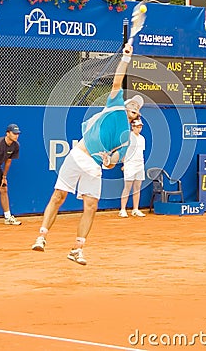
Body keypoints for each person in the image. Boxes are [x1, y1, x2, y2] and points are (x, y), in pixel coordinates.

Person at [32, 43, 143, 265]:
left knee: (91, 205)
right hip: (78, 156)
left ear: (136, 116)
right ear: (125, 106)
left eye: (138, 109)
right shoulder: (114, 104)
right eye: (133, 105)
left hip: (94, 166)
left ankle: (77, 248)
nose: (135, 109)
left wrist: (108, 160)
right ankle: (41, 237)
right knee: (59, 196)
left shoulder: (127, 138)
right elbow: (116, 80)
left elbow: (113, 163)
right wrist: (126, 58)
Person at [119, 117, 146, 218]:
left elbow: (140, 153)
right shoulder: (128, 137)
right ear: (132, 127)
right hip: (130, 165)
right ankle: (122, 210)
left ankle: (135, 209)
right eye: (137, 127)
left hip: (139, 165)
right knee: (127, 188)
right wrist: (124, 164)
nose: (139, 129)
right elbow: (123, 152)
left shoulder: (142, 139)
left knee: (137, 188)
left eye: (140, 127)